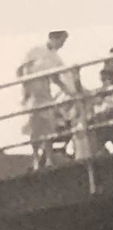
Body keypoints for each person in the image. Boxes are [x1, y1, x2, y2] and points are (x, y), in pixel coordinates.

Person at [17, 31, 77, 169]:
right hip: (32, 92)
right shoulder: (35, 51)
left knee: (48, 126)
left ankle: (49, 159)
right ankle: (36, 158)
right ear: (54, 38)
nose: (62, 44)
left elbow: (57, 78)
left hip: (45, 92)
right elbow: (23, 70)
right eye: (61, 40)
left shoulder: (56, 58)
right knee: (34, 128)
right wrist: (25, 91)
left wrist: (69, 91)